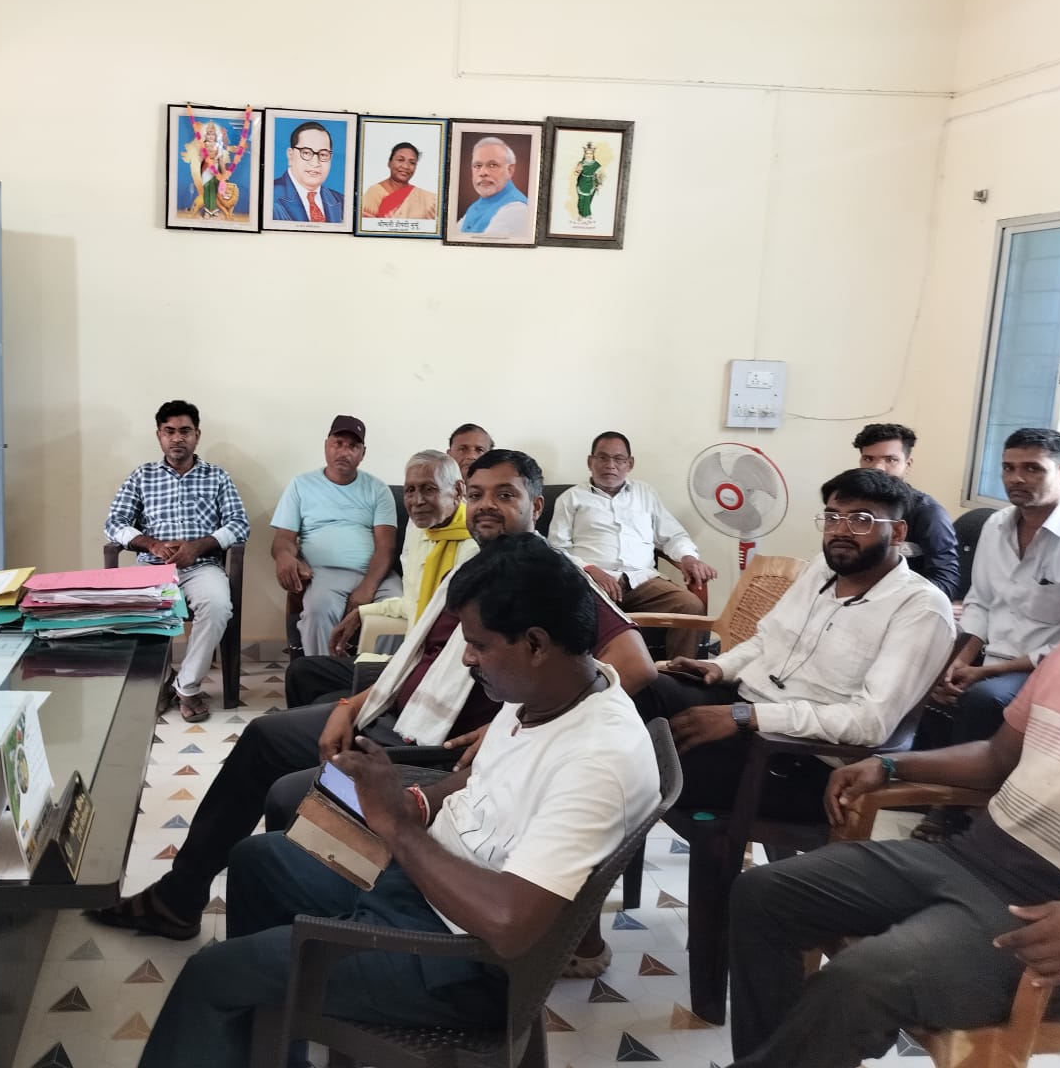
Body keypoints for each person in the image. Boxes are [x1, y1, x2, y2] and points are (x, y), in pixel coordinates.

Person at [136, 534, 661, 1068]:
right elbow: (488, 779)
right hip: (425, 882)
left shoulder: (596, 761)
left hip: (460, 958)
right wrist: (416, 803)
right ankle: (274, 1041)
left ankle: (264, 993)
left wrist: (398, 827)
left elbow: (508, 925)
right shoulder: (552, 691)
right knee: (257, 861)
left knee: (213, 976)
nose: (467, 658)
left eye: (478, 645)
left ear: (535, 643)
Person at [94, 450, 658, 945]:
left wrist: (515, 723)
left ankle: (317, 932)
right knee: (268, 732)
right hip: (396, 710)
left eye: (505, 495)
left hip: (430, 745)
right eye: (477, 494)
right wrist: (352, 705)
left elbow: (633, 663)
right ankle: (188, 899)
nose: (486, 506)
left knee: (290, 791)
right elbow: (416, 658)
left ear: (536, 506)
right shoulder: (477, 566)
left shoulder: (552, 579)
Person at [727, 636, 1060, 1068]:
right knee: (763, 894)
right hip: (970, 855)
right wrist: (890, 765)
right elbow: (995, 757)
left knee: (861, 982)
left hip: (1046, 914)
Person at [636, 468, 955, 822]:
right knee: (640, 689)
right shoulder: (822, 569)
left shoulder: (921, 608)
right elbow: (767, 639)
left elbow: (869, 723)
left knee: (643, 771)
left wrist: (747, 717)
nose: (840, 531)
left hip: (802, 758)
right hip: (745, 708)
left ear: (897, 532)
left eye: (861, 520)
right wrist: (720, 666)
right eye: (832, 517)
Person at [910, 427, 1060, 831]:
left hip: (1049, 668)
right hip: (992, 656)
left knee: (984, 699)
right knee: (924, 673)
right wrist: (960, 660)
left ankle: (955, 811)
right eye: (1008, 468)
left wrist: (988, 671)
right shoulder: (996, 524)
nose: (1016, 478)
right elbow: (981, 601)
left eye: (1033, 469)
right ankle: (921, 787)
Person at [286, 450, 475, 708]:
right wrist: (363, 612)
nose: (417, 501)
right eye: (410, 490)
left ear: (457, 490)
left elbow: (450, 628)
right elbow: (415, 602)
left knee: (324, 700)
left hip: (433, 671)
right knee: (302, 672)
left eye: (429, 489)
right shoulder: (421, 529)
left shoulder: (473, 547)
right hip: (409, 660)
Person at [103, 399, 250, 723]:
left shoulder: (217, 477)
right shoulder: (142, 476)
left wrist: (198, 547)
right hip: (152, 567)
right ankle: (160, 680)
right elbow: (114, 523)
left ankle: (187, 686)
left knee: (217, 605)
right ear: (159, 435)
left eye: (185, 431)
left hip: (202, 566)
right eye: (169, 431)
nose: (177, 438)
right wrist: (151, 544)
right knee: (129, 607)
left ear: (197, 435)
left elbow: (239, 524)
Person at [547, 430, 718, 659]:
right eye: (603, 457)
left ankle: (679, 673)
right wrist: (590, 570)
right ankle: (595, 677)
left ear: (630, 463)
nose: (610, 465)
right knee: (573, 610)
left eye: (619, 459)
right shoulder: (571, 498)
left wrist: (688, 557)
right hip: (593, 583)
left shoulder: (645, 493)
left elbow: (673, 535)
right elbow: (556, 550)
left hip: (642, 580)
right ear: (590, 462)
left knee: (689, 605)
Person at [271, 416, 401, 657]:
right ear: (326, 445)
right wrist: (284, 557)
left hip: (375, 574)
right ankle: (323, 675)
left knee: (397, 608)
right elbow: (283, 539)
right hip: (324, 573)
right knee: (318, 609)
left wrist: (367, 587)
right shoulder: (301, 485)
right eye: (338, 443)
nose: (344, 452)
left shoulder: (377, 489)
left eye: (353, 446)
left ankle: (379, 677)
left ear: (363, 453)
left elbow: (386, 547)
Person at [852, 422, 960, 598]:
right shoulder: (853, 508)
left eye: (890, 460)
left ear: (908, 465)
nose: (877, 468)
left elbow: (946, 581)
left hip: (906, 603)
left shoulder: (928, 513)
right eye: (869, 459)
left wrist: (889, 599)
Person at [271, 121, 344, 223]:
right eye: (306, 153)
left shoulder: (342, 201)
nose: (315, 163)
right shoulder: (269, 196)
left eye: (323, 154)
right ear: (290, 155)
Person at [456, 137, 530, 238]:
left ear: (510, 170)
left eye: (493, 165)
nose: (483, 173)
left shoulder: (516, 210)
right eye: (478, 166)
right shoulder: (476, 206)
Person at [359, 141, 437, 221]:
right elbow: (367, 225)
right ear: (389, 163)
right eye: (400, 160)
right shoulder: (374, 193)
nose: (406, 166)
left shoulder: (425, 199)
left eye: (412, 163)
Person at [570, 140, 604, 220]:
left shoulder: (596, 164)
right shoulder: (581, 163)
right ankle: (580, 214)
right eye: (587, 153)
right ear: (584, 154)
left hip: (591, 183)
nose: (588, 155)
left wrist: (599, 183)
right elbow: (576, 173)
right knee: (581, 199)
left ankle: (587, 214)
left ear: (593, 154)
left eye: (590, 153)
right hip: (582, 182)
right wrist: (578, 170)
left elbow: (600, 175)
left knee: (588, 199)